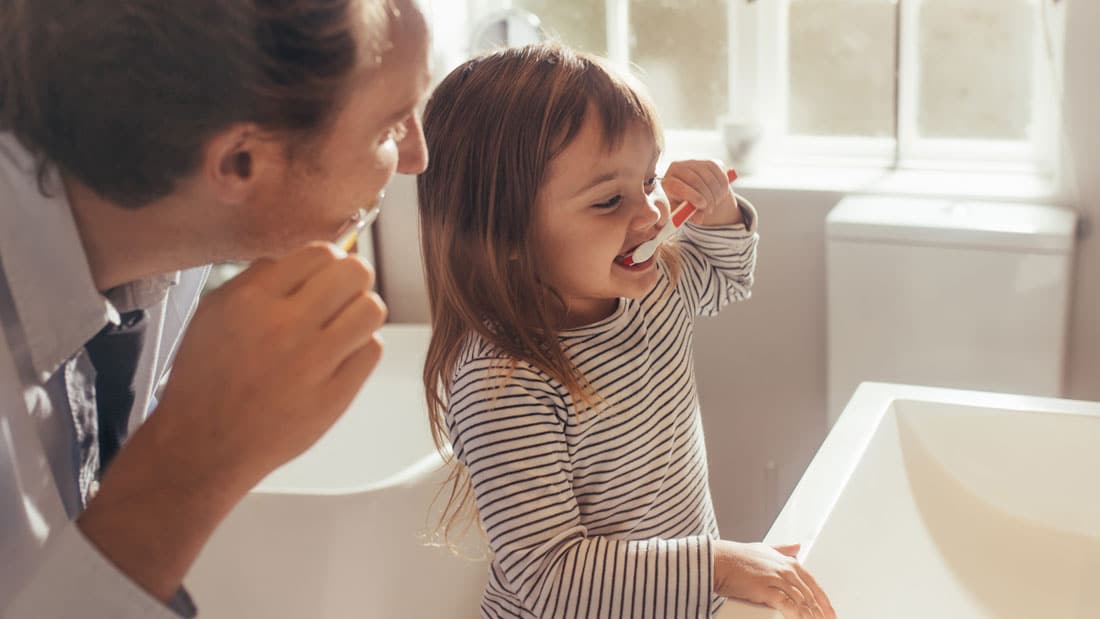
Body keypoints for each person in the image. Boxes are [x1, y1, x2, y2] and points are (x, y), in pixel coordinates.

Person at [0, 0, 430, 616]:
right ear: (240, 161)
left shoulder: (172, 240)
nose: (418, 157)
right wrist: (192, 465)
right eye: (390, 128)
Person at [417, 43, 835, 619]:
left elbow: (722, 276)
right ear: (504, 235)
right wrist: (719, 564)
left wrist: (721, 215)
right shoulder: (503, 382)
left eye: (651, 178)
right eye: (611, 199)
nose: (651, 214)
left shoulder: (652, 285)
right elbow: (548, 577)